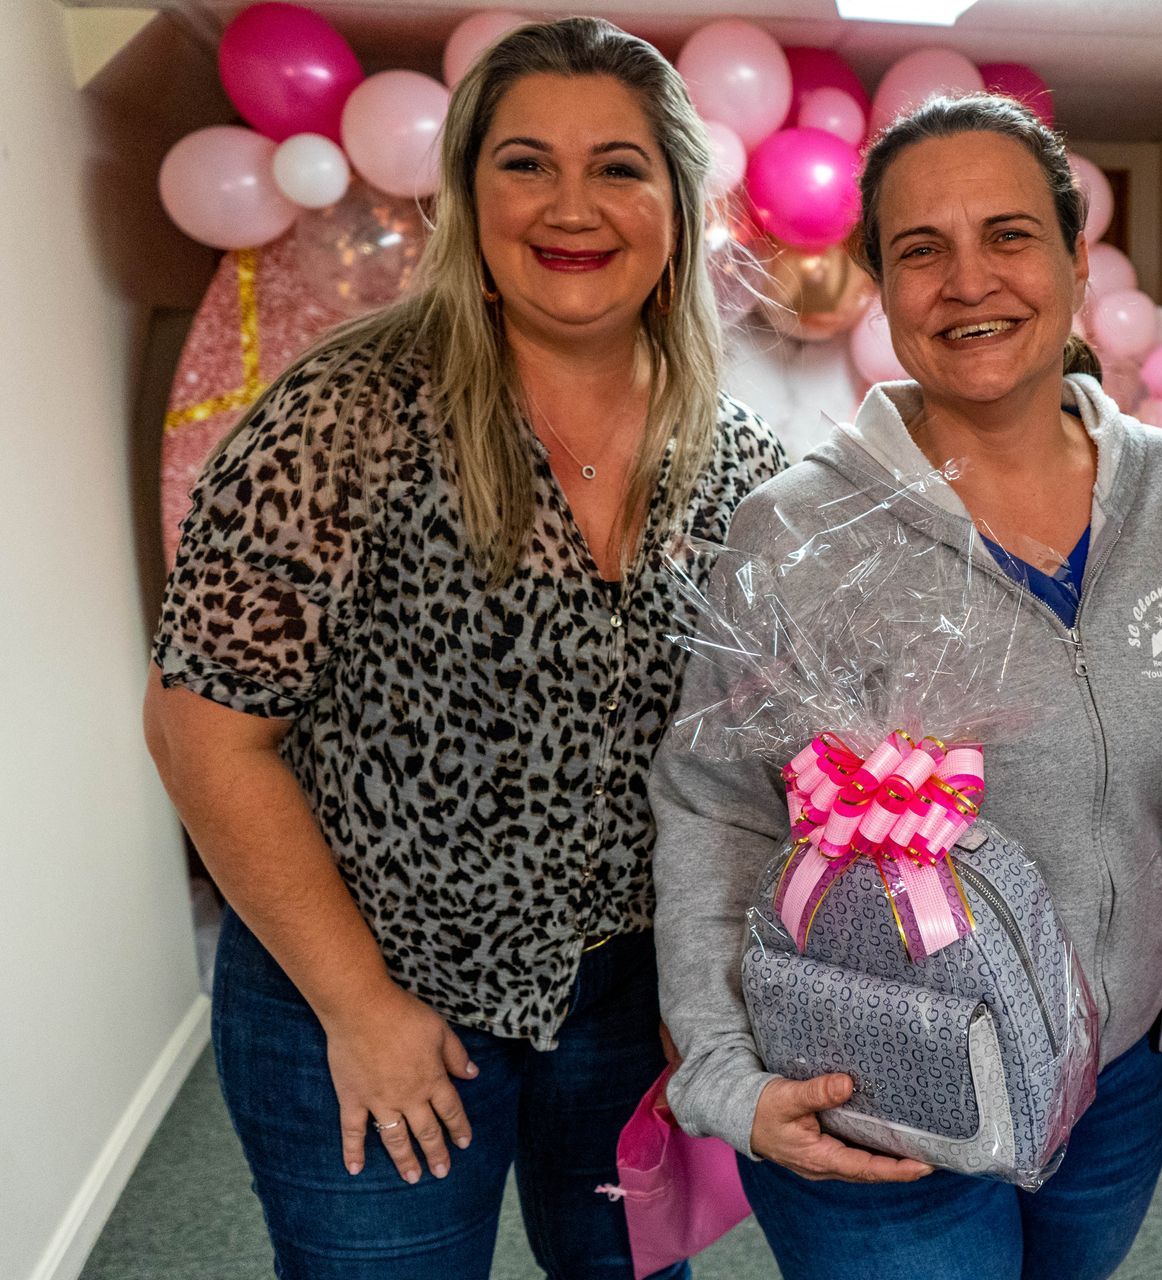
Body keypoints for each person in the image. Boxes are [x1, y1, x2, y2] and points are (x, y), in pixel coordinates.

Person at [142, 19, 784, 1279]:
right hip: (363, 985)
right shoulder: (347, 413)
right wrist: (357, 1001)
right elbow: (204, 729)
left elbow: (727, 758)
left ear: (676, 199)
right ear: (466, 194)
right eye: (525, 163)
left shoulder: (738, 462)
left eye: (619, 167)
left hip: (621, 1005)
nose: (572, 206)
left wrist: (703, 986)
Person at [651, 94, 1162, 1280]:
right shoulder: (800, 531)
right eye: (921, 249)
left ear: (1074, 259)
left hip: (1116, 1072)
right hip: (876, 1081)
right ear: (878, 281)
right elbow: (714, 803)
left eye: (1010, 236)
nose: (970, 281)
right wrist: (721, 1068)